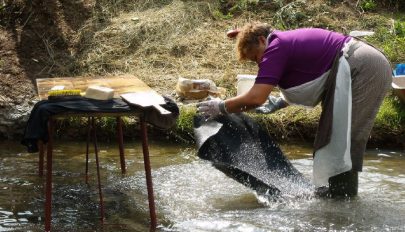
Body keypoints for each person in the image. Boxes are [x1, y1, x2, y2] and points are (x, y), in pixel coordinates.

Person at [197, 22, 392, 197]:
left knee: (342, 140)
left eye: (256, 57)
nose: (258, 63)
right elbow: (311, 74)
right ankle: (335, 194)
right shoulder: (280, 44)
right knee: (332, 137)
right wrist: (282, 102)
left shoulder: (276, 47)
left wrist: (221, 106)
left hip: (363, 68)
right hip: (357, 65)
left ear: (262, 40)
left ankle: (342, 202)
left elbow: (256, 98)